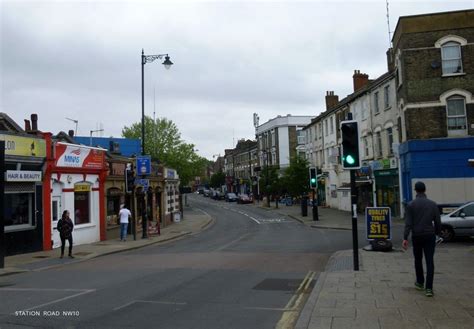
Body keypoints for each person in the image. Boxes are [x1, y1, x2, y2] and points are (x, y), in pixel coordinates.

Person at [402, 181, 441, 297]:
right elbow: (438, 222)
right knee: (430, 261)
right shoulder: (433, 204)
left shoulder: (410, 205)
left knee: (418, 259)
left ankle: (420, 282)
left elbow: (408, 223)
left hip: (417, 236)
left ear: (416, 191)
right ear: (425, 190)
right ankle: (429, 288)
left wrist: (405, 237)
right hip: (430, 235)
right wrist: (438, 234)